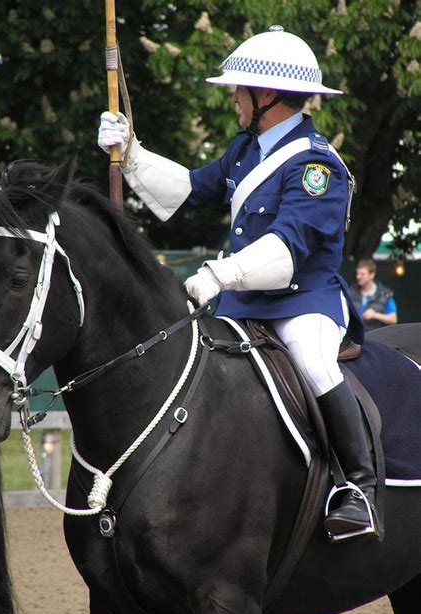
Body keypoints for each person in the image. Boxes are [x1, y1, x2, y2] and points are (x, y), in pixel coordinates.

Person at [97, 26, 377, 540]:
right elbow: (190, 188)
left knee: (314, 363)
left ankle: (357, 488)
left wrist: (218, 274)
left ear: (266, 95)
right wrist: (131, 152)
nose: (232, 96)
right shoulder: (246, 149)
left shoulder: (317, 166)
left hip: (301, 303)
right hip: (240, 301)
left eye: (238, 88)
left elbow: (288, 251)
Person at [349, 259, 397, 331]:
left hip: (374, 337)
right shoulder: (351, 292)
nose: (358, 277)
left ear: (372, 275)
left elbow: (393, 319)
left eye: (362, 274)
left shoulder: (385, 294)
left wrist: (375, 315)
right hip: (354, 338)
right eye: (357, 274)